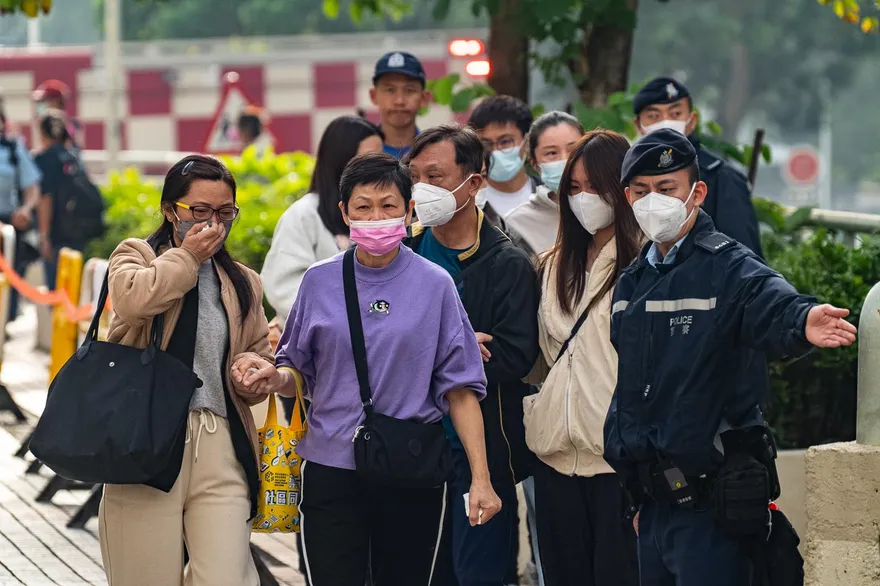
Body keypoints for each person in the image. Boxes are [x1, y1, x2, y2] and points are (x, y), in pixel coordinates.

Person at [603, 129, 857, 585]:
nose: (652, 201)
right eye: (641, 191)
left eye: (666, 189)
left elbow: (769, 299)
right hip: (653, 505)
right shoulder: (632, 281)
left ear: (696, 193)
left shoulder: (725, 267)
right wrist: (638, 499)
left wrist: (802, 320)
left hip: (709, 508)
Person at [234, 152, 501, 585]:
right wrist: (273, 377)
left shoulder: (436, 285)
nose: (377, 217)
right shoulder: (318, 281)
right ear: (344, 213)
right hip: (331, 468)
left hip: (410, 468)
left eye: (389, 205)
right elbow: (295, 373)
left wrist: (482, 478)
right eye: (363, 207)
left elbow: (462, 390)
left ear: (409, 209)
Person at [98, 155, 273, 586]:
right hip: (147, 439)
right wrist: (187, 257)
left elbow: (257, 350)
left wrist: (254, 371)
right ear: (169, 209)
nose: (213, 222)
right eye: (199, 210)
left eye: (225, 212)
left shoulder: (243, 281)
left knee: (227, 577)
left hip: (220, 443)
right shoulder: (135, 255)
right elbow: (133, 302)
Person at [405, 124, 540, 586]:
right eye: (415, 176)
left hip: (482, 454)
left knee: (479, 571)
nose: (422, 188)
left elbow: (515, 355)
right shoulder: (402, 253)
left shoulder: (508, 263)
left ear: (474, 184)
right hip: (411, 448)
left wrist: (427, 353)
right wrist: (455, 348)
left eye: (436, 176)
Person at [524, 129, 641, 586]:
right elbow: (537, 361)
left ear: (622, 188)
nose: (583, 198)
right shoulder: (550, 265)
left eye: (595, 186)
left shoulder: (649, 263)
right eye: (573, 188)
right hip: (555, 457)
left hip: (619, 462)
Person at [262, 115, 384, 328]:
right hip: (319, 342)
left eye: (380, 158)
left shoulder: (383, 216)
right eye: (366, 159)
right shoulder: (303, 215)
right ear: (340, 160)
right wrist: (342, 319)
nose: (376, 169)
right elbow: (284, 288)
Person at [632, 77, 763, 257]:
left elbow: (746, 261)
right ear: (638, 125)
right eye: (654, 116)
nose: (665, 122)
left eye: (675, 114)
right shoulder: (632, 176)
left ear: (692, 120)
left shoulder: (721, 177)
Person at [505, 111, 585, 259]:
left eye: (574, 150)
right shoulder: (516, 224)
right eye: (551, 153)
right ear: (535, 163)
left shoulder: (609, 209)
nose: (566, 160)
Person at [34, 111, 90, 289]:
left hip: (55, 234)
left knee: (56, 289)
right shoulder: (73, 157)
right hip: (77, 231)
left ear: (43, 133)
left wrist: (44, 236)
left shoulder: (43, 159)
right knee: (73, 289)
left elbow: (45, 199)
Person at [0, 109, 42, 324]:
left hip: (8, 224)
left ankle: (5, 323)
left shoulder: (14, 149)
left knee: (9, 278)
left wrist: (25, 209)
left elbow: (32, 189)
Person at [469, 95, 538, 224]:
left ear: (527, 142)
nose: (495, 150)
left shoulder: (549, 197)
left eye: (505, 141)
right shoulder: (471, 201)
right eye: (486, 144)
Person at [370, 51, 430, 159]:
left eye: (409, 90)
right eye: (390, 90)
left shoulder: (433, 153)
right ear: (373, 96)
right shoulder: (360, 153)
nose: (399, 101)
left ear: (424, 98)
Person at [32, 79, 82, 150]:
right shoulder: (71, 122)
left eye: (43, 101)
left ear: (55, 101)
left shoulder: (48, 121)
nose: (39, 106)